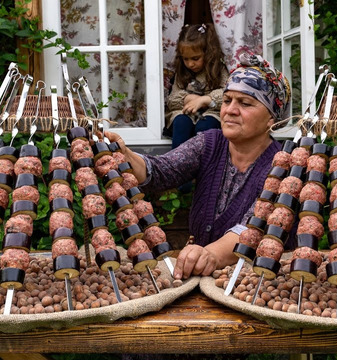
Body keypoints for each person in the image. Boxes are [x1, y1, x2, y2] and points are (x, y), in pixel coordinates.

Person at [104, 53, 291, 280]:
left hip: (255, 282)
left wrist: (210, 254)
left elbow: (250, 230)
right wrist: (125, 154)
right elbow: (162, 170)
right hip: (200, 280)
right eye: (227, 100)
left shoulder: (283, 167)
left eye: (245, 103)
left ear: (272, 118)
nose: (230, 110)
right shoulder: (209, 143)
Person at [167, 23, 229, 149]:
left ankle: (206, 166)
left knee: (206, 126)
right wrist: (187, 99)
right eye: (186, 59)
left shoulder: (219, 70)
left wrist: (206, 100)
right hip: (185, 113)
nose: (190, 64)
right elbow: (172, 99)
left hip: (212, 113)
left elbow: (227, 94)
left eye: (195, 58)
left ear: (208, 53)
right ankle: (177, 164)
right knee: (181, 123)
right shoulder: (182, 72)